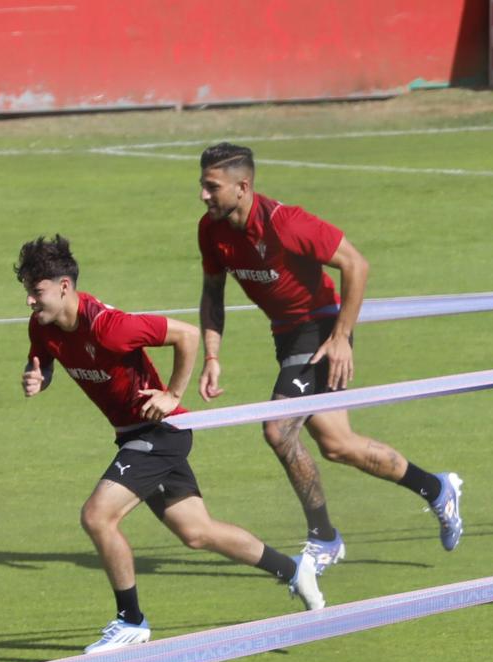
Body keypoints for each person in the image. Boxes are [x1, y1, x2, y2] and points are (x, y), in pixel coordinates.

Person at [17, 235, 323, 653]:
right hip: (134, 435)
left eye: (37, 291)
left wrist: (173, 395)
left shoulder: (110, 327)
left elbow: (186, 335)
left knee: (97, 516)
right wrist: (38, 378)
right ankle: (293, 569)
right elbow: (44, 359)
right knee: (198, 532)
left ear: (65, 286)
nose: (31, 302)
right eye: (28, 292)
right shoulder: (43, 326)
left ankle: (131, 620)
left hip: (160, 434)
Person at [196, 142, 463, 573]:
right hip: (286, 338)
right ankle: (436, 487)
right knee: (339, 446)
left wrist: (341, 336)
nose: (204, 195)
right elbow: (212, 294)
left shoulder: (287, 223)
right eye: (203, 186)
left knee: (278, 431)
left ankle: (324, 536)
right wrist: (212, 354)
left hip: (319, 329)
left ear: (243, 187)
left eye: (212, 187)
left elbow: (356, 264)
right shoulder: (212, 231)